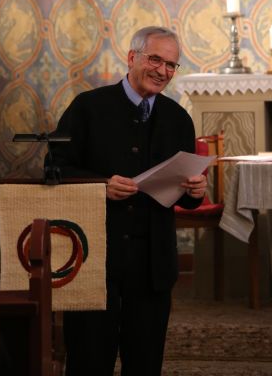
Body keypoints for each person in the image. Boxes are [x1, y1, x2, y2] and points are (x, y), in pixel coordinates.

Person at [48, 25, 207, 376]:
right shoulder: (87, 108)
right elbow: (54, 170)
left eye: (171, 65)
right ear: (132, 57)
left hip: (152, 262)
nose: (162, 71)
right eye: (155, 59)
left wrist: (196, 192)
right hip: (93, 259)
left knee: (145, 363)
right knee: (89, 361)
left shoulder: (178, 118)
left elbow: (186, 193)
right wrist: (100, 186)